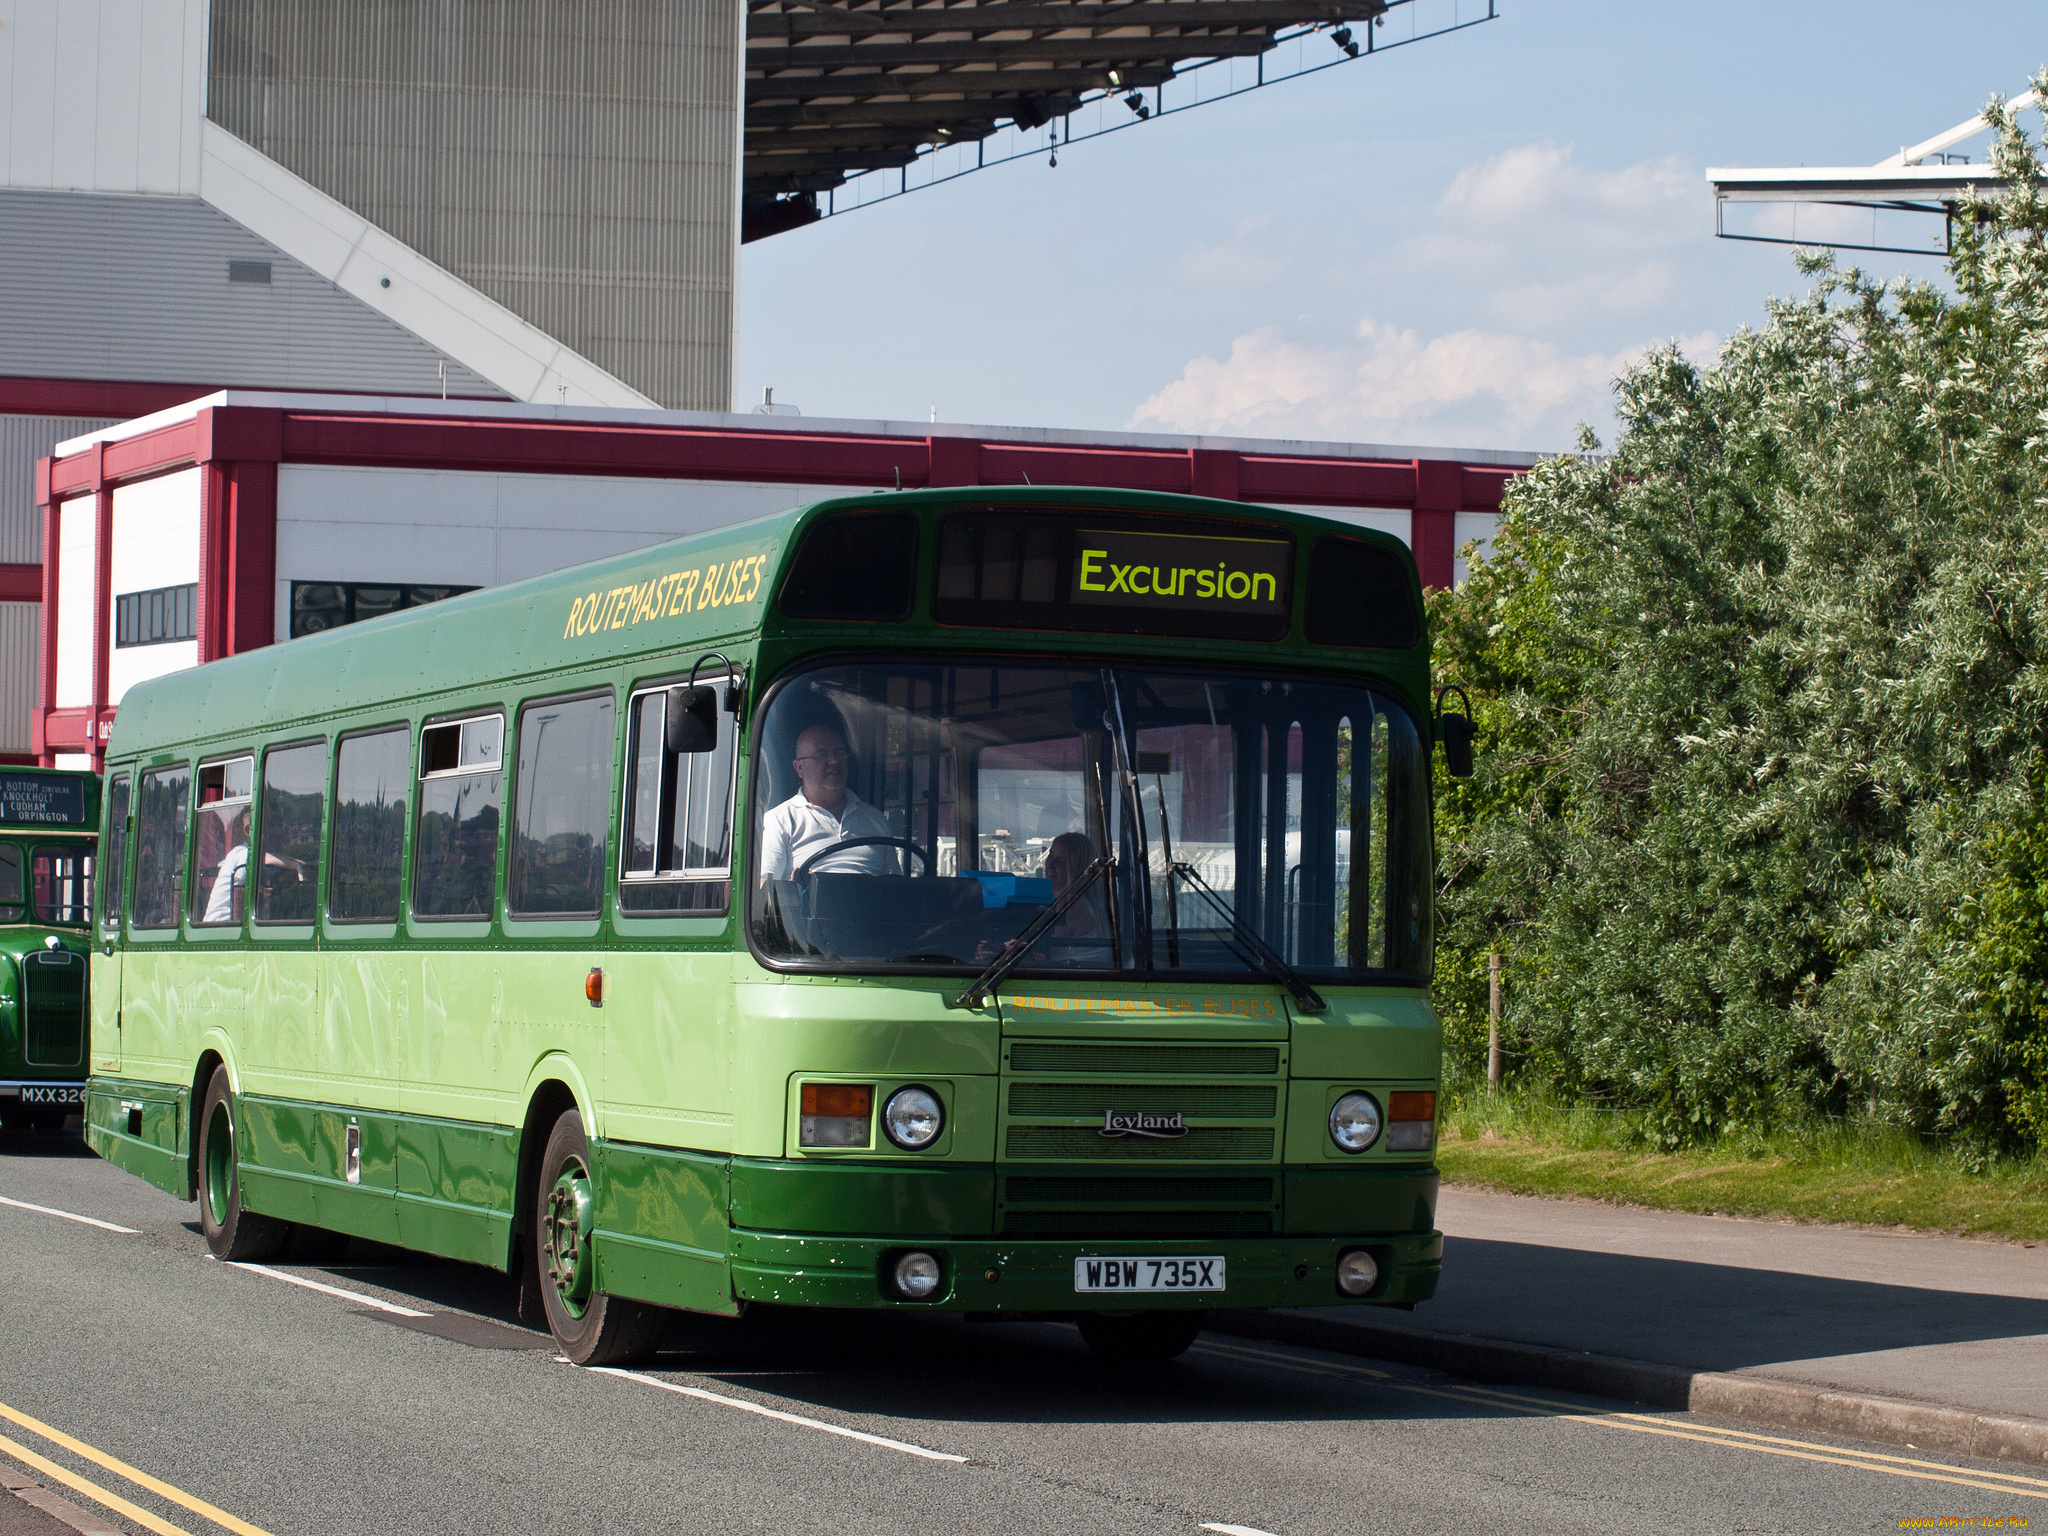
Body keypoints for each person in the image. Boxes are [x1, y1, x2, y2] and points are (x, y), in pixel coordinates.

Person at [759, 723, 896, 882]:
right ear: (799, 768)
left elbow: (895, 886)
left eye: (840, 753)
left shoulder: (875, 819)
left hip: (870, 906)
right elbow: (764, 889)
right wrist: (792, 889)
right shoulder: (779, 821)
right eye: (821, 755)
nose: (834, 761)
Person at [201, 807, 307, 925]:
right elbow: (263, 858)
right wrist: (296, 866)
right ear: (248, 830)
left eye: (279, 826)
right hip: (220, 927)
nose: (277, 831)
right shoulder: (240, 853)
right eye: (270, 826)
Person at [1041, 831, 1102, 939]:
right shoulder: (1071, 900)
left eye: (1060, 861)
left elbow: (1042, 951)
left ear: (1077, 869)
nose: (1050, 863)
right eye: (1051, 855)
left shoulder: (1070, 907)